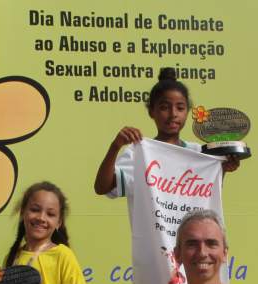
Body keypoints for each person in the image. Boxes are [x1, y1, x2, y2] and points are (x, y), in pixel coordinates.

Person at [93, 67, 238, 199]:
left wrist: (222, 170)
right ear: (151, 111)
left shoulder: (198, 152)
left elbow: (206, 199)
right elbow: (102, 187)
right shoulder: (139, 153)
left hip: (193, 229)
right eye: (164, 107)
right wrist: (115, 147)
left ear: (187, 112)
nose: (173, 114)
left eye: (180, 108)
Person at [0, 181, 88, 284]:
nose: (41, 218)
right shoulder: (12, 258)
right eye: (35, 210)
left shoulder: (63, 255)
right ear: (23, 211)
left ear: (59, 222)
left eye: (50, 214)